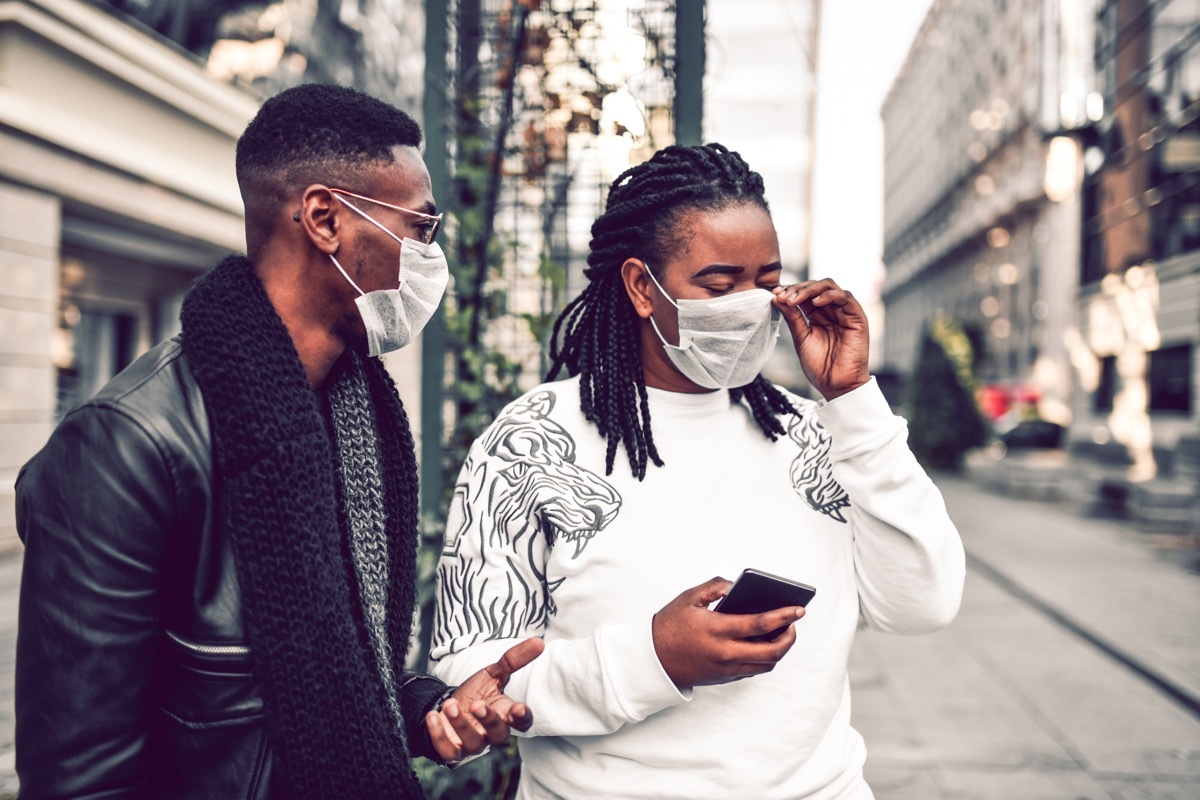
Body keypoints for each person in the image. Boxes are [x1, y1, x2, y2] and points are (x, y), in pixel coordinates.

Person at [15, 83, 542, 799]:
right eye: (420, 229)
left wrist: (426, 711)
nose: (430, 256)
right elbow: (82, 777)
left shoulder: (356, 419)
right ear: (326, 218)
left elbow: (341, 682)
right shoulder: (126, 446)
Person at [428, 143, 965, 799]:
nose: (751, 304)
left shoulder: (819, 434)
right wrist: (653, 659)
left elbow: (922, 603)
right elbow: (471, 672)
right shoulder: (533, 443)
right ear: (639, 287)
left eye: (768, 282)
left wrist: (853, 400)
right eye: (718, 285)